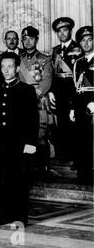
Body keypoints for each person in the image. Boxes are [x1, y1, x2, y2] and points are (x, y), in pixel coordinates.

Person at [0, 52, 39, 226]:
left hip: (19, 144)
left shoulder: (27, 90)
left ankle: (20, 217)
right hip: (1, 144)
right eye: (3, 67)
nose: (6, 70)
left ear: (17, 68)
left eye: (10, 66)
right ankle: (4, 215)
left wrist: (31, 143)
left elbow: (33, 119)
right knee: (1, 181)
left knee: (19, 181)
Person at [18, 26, 54, 176]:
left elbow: (46, 81)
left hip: (38, 103)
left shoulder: (45, 59)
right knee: (25, 136)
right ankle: (28, 168)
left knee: (40, 136)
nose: (28, 42)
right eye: (25, 39)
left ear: (36, 40)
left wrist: (31, 96)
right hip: (21, 104)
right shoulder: (18, 60)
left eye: (31, 39)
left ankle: (44, 167)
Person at [50, 17, 82, 161]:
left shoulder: (78, 48)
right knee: (61, 122)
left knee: (74, 124)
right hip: (58, 91)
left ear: (70, 31)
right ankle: (63, 154)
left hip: (73, 90)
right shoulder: (55, 50)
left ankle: (76, 156)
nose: (62, 33)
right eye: (59, 31)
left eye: (65, 30)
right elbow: (53, 72)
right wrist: (51, 91)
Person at [70, 26, 93, 185]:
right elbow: (75, 87)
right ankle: (83, 174)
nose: (86, 43)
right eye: (83, 40)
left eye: (89, 39)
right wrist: (72, 107)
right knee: (81, 139)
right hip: (80, 105)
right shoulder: (78, 62)